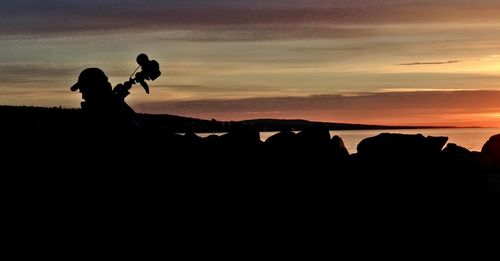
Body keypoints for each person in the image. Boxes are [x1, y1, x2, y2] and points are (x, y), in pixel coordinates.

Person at [70, 68, 135, 116]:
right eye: (82, 92)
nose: (83, 96)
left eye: (84, 91)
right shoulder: (111, 106)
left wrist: (117, 95)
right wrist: (118, 96)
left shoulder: (112, 103)